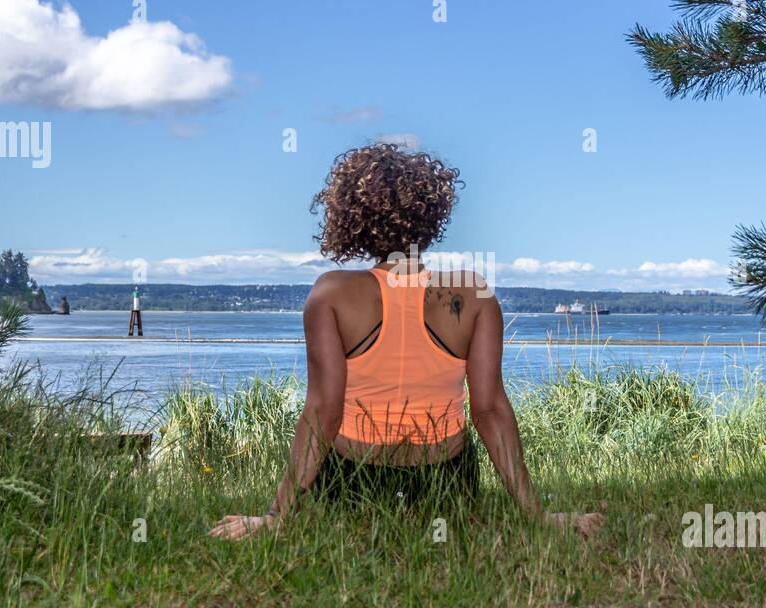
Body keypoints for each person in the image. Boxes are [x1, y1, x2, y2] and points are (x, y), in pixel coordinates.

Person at [210, 142, 604, 540]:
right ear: (430, 216)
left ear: (352, 219)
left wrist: (276, 516)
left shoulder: (329, 293)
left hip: (355, 484)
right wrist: (538, 515)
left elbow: (323, 412)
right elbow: (490, 411)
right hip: (445, 485)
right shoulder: (472, 293)